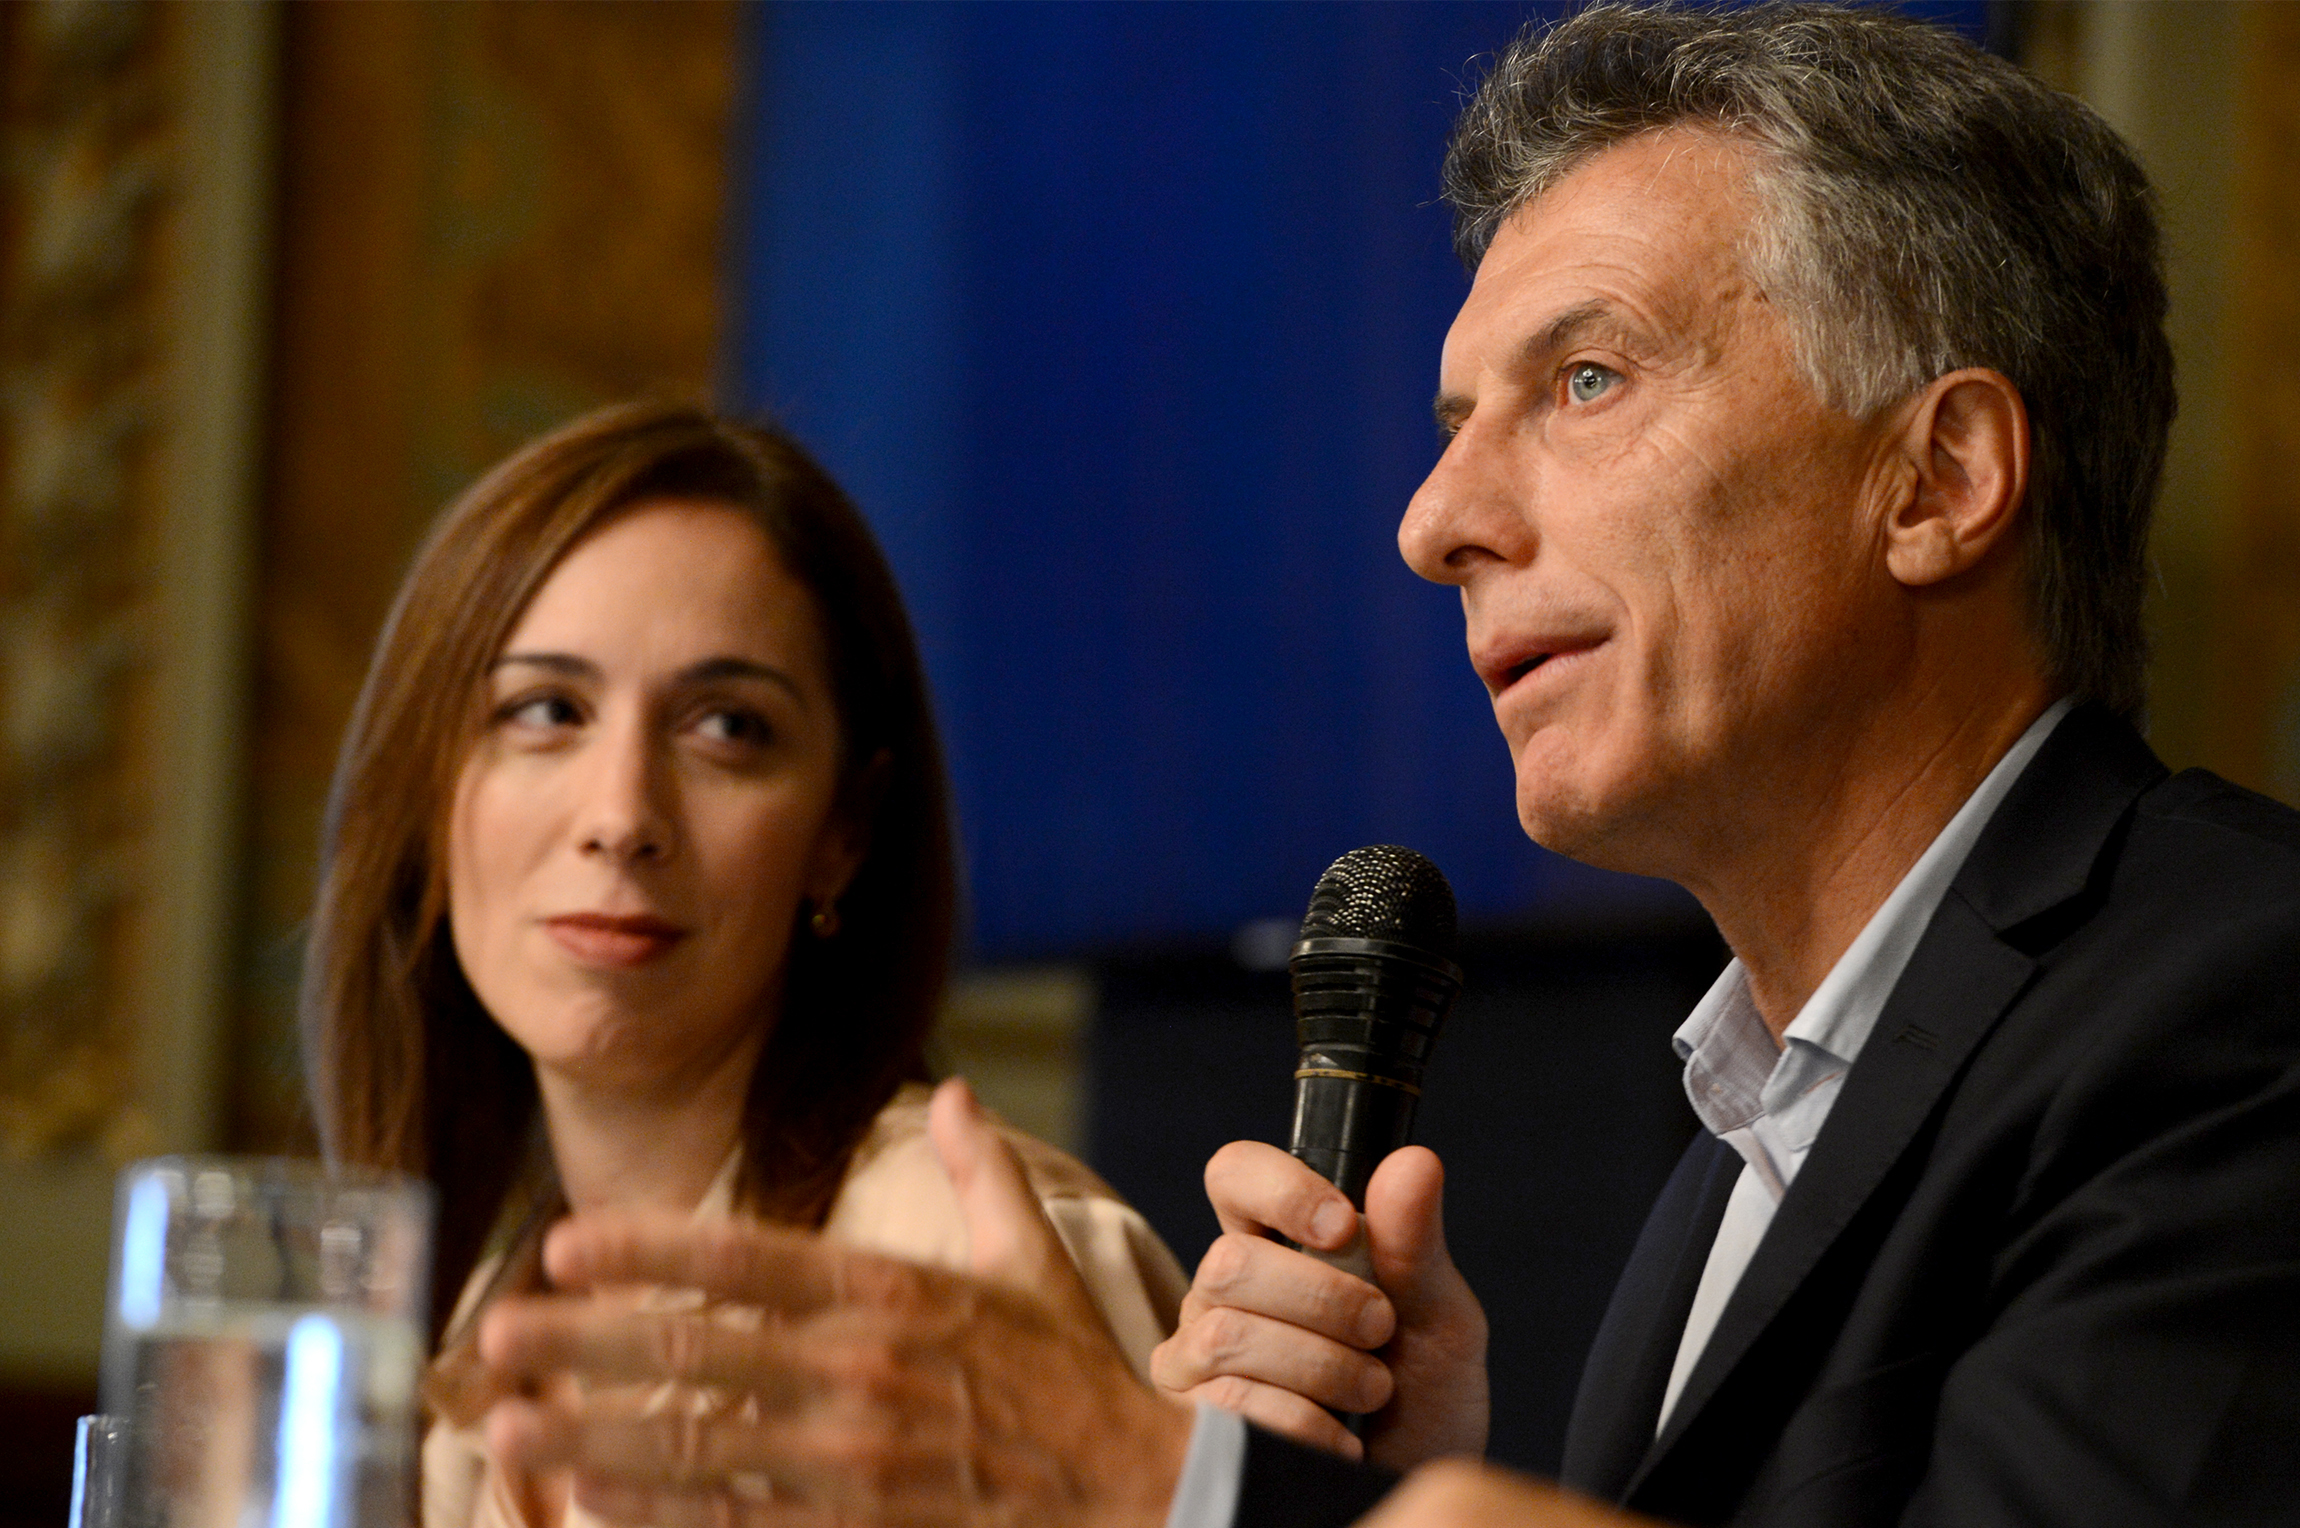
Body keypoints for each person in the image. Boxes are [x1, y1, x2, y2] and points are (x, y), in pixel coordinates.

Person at [462, 7, 2300, 1527]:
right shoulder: (1742, 1148)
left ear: (1939, 479)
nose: (1435, 521)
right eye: (1451, 423)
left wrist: (1153, 1482)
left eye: (1585, 381)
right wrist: (1410, 1485)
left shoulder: (2238, 993)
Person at [298, 402, 1188, 1528]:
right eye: (544, 710)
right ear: (426, 801)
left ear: (843, 830)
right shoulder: (475, 1317)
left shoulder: (969, 1253)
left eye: (726, 728)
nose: (621, 817)